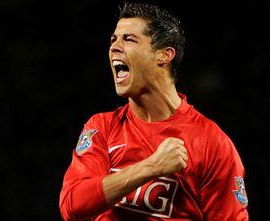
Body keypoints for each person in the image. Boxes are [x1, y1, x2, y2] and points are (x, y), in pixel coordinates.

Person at [59, 2, 249, 221]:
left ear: (164, 55)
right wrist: (151, 167)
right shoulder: (102, 127)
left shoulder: (211, 143)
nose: (114, 47)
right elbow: (72, 205)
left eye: (128, 39)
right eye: (113, 39)